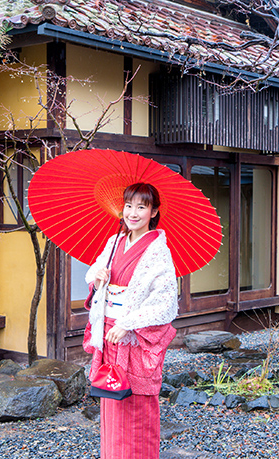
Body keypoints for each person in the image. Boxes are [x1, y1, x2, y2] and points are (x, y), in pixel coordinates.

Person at [82, 182, 178, 459]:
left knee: (136, 401)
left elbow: (164, 302)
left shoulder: (158, 250)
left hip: (134, 334)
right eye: (128, 205)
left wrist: (129, 323)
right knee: (112, 394)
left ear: (154, 211)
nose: (132, 213)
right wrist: (98, 277)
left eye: (141, 207)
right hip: (110, 332)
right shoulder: (114, 242)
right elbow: (96, 274)